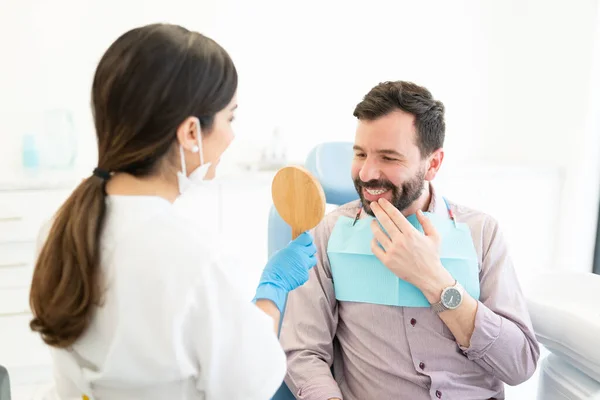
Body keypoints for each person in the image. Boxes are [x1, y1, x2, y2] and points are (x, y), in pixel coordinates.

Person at [28, 23, 317, 400]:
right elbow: (249, 385)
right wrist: (272, 291)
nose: (232, 136)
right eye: (230, 117)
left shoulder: (59, 226)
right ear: (190, 132)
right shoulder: (194, 255)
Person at [279, 81, 540, 400]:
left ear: (432, 164)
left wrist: (434, 280)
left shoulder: (481, 233)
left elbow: (520, 364)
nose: (366, 173)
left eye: (389, 158)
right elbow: (303, 354)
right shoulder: (329, 234)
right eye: (360, 154)